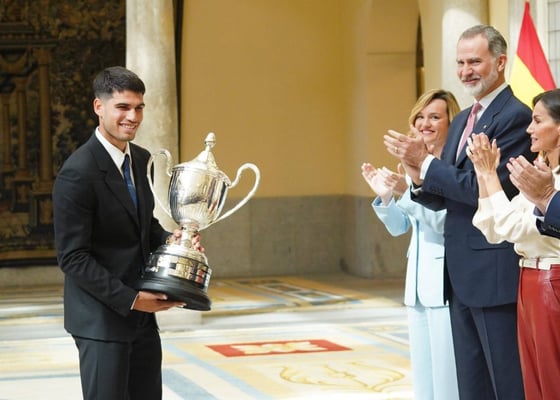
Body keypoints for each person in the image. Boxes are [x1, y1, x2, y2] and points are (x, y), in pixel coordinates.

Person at [382, 25, 534, 399]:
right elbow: (446, 196)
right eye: (460, 63)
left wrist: (427, 164)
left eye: (475, 62)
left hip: (493, 274)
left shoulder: (514, 115)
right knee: (472, 385)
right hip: (459, 276)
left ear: (500, 62)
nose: (466, 71)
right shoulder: (465, 118)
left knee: (505, 384)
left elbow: (484, 190)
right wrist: (417, 175)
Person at [52, 66, 200, 400]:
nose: (132, 117)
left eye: (138, 107)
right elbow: (73, 258)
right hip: (101, 321)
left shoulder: (141, 159)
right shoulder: (77, 173)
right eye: (122, 107)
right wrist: (132, 299)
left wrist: (173, 242)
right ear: (98, 107)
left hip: (143, 321)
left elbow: (145, 227)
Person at [362, 89, 461, 400]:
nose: (424, 123)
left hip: (445, 286)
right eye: (420, 116)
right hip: (416, 288)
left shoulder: (451, 168)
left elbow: (442, 223)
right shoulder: (410, 166)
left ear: (451, 122)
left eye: (434, 117)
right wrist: (386, 198)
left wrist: (407, 193)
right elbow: (399, 227)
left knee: (447, 380)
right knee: (424, 379)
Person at [467, 88, 560, 400]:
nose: (529, 128)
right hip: (528, 280)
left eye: (538, 121)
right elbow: (492, 228)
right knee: (533, 382)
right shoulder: (542, 173)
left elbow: (515, 227)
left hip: (552, 280)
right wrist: (484, 175)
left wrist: (490, 176)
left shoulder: (550, 182)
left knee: (552, 380)